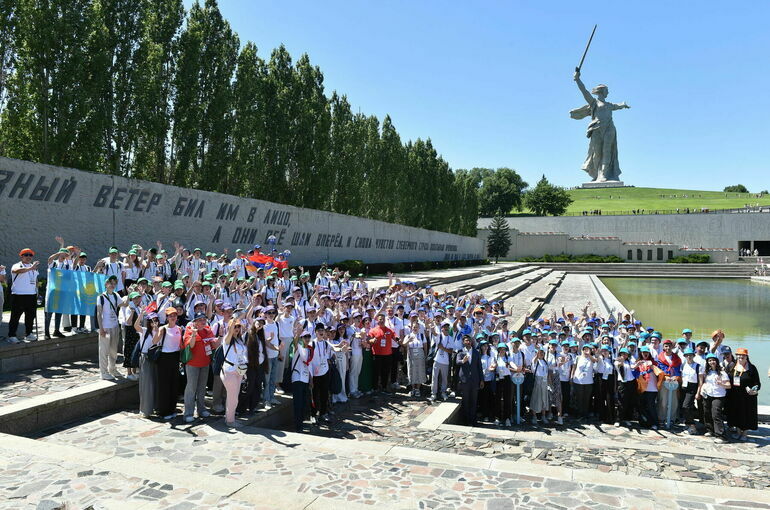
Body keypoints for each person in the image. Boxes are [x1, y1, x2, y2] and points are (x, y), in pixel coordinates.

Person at [182, 312, 216, 423]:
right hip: (192, 364)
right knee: (191, 388)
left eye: (204, 320)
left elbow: (213, 345)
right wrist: (193, 334)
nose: (202, 322)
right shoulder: (189, 330)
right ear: (195, 322)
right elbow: (190, 345)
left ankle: (201, 410)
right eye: (200, 320)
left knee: (202, 388)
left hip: (205, 363)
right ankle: (188, 413)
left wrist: (220, 336)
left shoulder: (208, 330)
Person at [97, 275, 128, 380]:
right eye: (110, 283)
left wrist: (130, 294)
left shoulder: (115, 295)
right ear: (106, 284)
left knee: (113, 350)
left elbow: (124, 304)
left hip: (115, 326)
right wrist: (101, 328)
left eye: (114, 283)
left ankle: (112, 368)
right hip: (105, 327)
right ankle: (104, 372)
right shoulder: (100, 297)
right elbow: (98, 313)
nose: (112, 285)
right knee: (104, 350)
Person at [725, 347, 761, 440]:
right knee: (735, 413)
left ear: (746, 356)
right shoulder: (732, 366)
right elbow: (726, 378)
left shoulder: (752, 368)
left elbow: (757, 383)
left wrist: (755, 389)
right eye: (739, 355)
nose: (741, 356)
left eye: (743, 355)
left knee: (746, 414)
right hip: (734, 395)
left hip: (747, 396)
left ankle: (744, 434)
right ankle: (737, 432)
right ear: (736, 356)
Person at [155, 306, 183, 420]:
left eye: (174, 315)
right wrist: (157, 331)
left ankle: (172, 409)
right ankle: (164, 411)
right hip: (164, 358)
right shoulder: (163, 329)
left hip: (175, 357)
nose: (173, 317)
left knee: (174, 384)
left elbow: (180, 344)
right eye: (170, 316)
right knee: (164, 385)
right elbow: (155, 341)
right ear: (166, 317)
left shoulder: (179, 328)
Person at [7, 248, 40, 344]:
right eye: (26, 255)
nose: (29, 257)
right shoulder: (17, 265)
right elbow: (15, 270)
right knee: (15, 317)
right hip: (18, 295)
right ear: (21, 256)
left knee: (30, 316)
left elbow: (35, 280)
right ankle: (12, 335)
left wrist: (37, 292)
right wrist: (30, 268)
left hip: (31, 295)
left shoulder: (33, 267)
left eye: (30, 255)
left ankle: (29, 333)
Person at [697, 353, 731, 442]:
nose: (712, 362)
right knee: (707, 412)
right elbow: (703, 381)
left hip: (718, 396)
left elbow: (728, 385)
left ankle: (721, 436)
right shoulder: (707, 372)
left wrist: (721, 383)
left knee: (716, 414)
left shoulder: (722, 373)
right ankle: (710, 430)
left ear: (717, 361)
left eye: (714, 360)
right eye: (710, 360)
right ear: (707, 362)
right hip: (708, 395)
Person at [133, 309, 159, 418]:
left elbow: (156, 343)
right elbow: (135, 326)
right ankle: (145, 410)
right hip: (145, 358)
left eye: (156, 320)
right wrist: (141, 314)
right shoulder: (144, 331)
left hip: (156, 358)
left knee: (155, 383)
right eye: (152, 321)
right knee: (146, 384)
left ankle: (155, 407)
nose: (154, 323)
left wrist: (157, 331)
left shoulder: (159, 331)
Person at [290, 326, 313, 432]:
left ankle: (301, 423)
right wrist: (297, 335)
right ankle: (297, 426)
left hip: (305, 378)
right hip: (297, 378)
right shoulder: (298, 347)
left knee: (304, 403)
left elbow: (309, 365)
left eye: (308, 336)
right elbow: (294, 343)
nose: (307, 339)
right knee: (297, 403)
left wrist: (311, 379)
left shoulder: (309, 349)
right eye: (305, 337)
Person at [457, 334, 483, 426]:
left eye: (469, 340)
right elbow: (457, 362)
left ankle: (473, 420)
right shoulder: (461, 352)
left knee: (474, 400)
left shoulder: (476, 352)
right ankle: (466, 420)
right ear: (463, 342)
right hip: (465, 380)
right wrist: (462, 361)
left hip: (475, 380)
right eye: (466, 341)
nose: (468, 342)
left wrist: (481, 380)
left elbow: (479, 367)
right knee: (466, 400)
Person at [634, 346, 661, 430]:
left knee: (651, 406)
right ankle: (644, 422)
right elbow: (634, 374)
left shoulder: (653, 362)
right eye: (643, 352)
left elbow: (659, 372)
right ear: (641, 353)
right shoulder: (638, 362)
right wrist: (636, 366)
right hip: (642, 388)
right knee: (642, 406)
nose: (645, 354)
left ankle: (655, 423)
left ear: (649, 353)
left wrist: (652, 366)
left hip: (652, 388)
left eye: (647, 352)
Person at [368, 312, 395, 393]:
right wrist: (372, 340)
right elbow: (369, 340)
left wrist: (398, 339)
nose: (382, 321)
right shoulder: (373, 330)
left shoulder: (389, 330)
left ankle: (384, 387)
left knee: (385, 372)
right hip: (377, 354)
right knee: (376, 372)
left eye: (383, 319)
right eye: (380, 319)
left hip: (387, 354)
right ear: (377, 320)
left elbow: (395, 336)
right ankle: (375, 388)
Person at [679, 348, 702, 434]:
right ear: (684, 356)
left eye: (690, 355)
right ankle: (688, 423)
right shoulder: (683, 365)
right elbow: (682, 377)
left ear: (693, 356)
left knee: (686, 406)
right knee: (685, 407)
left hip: (692, 388)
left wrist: (698, 392)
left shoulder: (698, 366)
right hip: (684, 387)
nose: (689, 357)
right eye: (687, 355)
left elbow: (700, 381)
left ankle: (692, 426)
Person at [402, 324, 428, 397]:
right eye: (414, 327)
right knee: (412, 370)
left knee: (420, 370)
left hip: (420, 353)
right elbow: (404, 344)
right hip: (411, 354)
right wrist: (408, 340)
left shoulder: (422, 335)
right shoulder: (408, 336)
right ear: (411, 328)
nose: (415, 328)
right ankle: (413, 388)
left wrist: (425, 355)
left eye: (416, 327)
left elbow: (425, 345)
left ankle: (418, 389)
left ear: (419, 328)